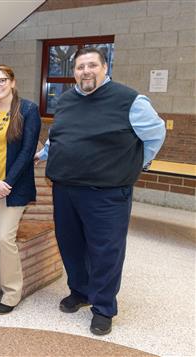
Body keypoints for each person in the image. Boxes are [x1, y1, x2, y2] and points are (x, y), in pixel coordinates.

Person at [35, 47, 166, 335]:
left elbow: (156, 133)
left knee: (105, 250)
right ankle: (80, 291)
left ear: (105, 68)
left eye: (92, 65)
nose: (86, 71)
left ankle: (104, 307)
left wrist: (137, 164)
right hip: (66, 188)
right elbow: (59, 135)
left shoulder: (129, 100)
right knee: (71, 245)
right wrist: (44, 153)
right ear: (74, 73)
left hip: (107, 194)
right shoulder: (67, 100)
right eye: (80, 67)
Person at [0, 65, 41, 315]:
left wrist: (6, 182)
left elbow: (27, 151)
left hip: (15, 186)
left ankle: (12, 292)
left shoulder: (29, 110)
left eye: (2, 80)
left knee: (5, 237)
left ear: (12, 82)